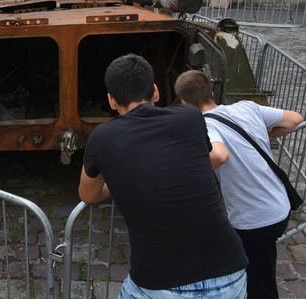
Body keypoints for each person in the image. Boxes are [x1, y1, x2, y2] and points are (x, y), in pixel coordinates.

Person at [78, 54, 248, 298]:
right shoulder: (191, 117)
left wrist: (124, 181)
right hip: (228, 272)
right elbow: (199, 159)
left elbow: (88, 193)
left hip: (158, 281)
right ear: (155, 92)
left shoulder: (102, 137)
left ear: (112, 101)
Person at [174, 70, 304, 299]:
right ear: (212, 90)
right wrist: (263, 136)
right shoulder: (247, 107)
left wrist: (187, 172)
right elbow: (295, 119)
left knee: (259, 284)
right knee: (254, 262)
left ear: (184, 103)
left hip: (254, 220)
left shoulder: (204, 127)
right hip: (280, 206)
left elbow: (220, 155)